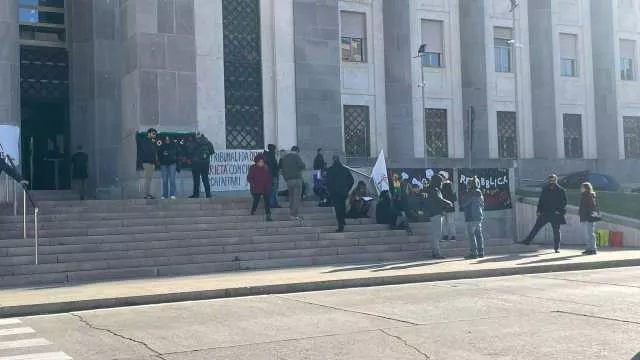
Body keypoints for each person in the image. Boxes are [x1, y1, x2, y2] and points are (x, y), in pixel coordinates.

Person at [520, 174, 567, 253]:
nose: (551, 182)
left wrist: (558, 211)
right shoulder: (545, 189)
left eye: (553, 180)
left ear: (556, 180)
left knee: (556, 231)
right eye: (550, 180)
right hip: (545, 213)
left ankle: (557, 247)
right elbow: (541, 201)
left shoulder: (561, 190)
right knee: (536, 227)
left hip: (555, 214)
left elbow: (564, 202)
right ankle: (527, 241)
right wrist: (538, 211)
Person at [426, 174, 454, 259]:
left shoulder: (431, 189)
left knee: (436, 234)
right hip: (436, 214)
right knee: (437, 235)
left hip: (434, 213)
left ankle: (435, 252)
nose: (442, 183)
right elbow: (439, 200)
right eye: (440, 181)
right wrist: (448, 203)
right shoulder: (435, 190)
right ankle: (437, 253)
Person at [326, 156, 355, 233]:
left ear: (333, 161)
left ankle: (340, 224)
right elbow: (352, 181)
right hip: (343, 192)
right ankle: (342, 220)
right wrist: (347, 188)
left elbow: (327, 182)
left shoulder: (330, 170)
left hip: (335, 193)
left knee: (338, 208)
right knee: (342, 206)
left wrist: (330, 190)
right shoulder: (345, 169)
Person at [279, 145, 306, 220]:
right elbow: (302, 166)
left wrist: (286, 178)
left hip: (288, 181)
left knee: (291, 196)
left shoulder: (285, 158)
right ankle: (294, 214)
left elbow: (282, 170)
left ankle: (291, 212)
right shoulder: (296, 156)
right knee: (297, 198)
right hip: (297, 179)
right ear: (297, 151)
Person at [461, 177, 485, 259]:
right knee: (479, 235)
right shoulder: (479, 192)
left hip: (471, 217)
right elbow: (482, 204)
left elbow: (464, 204)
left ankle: (473, 252)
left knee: (471, 235)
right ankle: (481, 252)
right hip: (479, 216)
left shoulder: (469, 193)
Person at [188, 133, 215, 199]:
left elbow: (189, 151)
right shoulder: (208, 142)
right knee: (205, 179)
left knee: (196, 180)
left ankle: (196, 194)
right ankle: (208, 194)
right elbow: (212, 152)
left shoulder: (194, 142)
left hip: (196, 163)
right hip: (205, 163)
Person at [247, 154, 272, 221]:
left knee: (267, 202)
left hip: (265, 188)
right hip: (256, 188)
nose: (261, 163)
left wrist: (269, 186)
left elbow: (269, 178)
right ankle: (253, 210)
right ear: (256, 162)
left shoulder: (266, 168)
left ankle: (268, 215)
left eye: (262, 162)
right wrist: (253, 184)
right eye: (260, 162)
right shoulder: (253, 167)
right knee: (256, 200)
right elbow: (249, 177)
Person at [579, 182, 598, 255]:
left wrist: (588, 214)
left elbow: (592, 207)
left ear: (586, 188)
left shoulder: (589, 195)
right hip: (585, 217)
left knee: (590, 234)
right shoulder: (584, 195)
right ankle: (588, 248)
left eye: (582, 187)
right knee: (587, 234)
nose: (581, 188)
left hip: (589, 217)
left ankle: (593, 249)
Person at [439, 171, 457, 241]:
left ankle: (452, 235)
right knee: (445, 223)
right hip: (444, 207)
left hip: (449, 207)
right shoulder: (440, 185)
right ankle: (446, 235)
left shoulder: (449, 184)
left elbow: (454, 197)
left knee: (450, 222)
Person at [140, 128, 158, 199]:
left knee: (149, 179)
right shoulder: (145, 141)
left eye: (155, 134)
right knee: (148, 179)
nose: (154, 135)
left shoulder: (152, 141)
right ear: (149, 133)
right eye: (153, 134)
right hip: (147, 162)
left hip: (151, 162)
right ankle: (146, 194)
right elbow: (147, 152)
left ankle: (148, 193)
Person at [264, 144, 281, 208]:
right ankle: (273, 204)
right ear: (273, 149)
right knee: (273, 191)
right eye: (276, 149)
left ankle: (272, 203)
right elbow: (274, 166)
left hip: (268, 176)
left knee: (270, 191)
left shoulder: (266, 155)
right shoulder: (272, 156)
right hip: (273, 176)